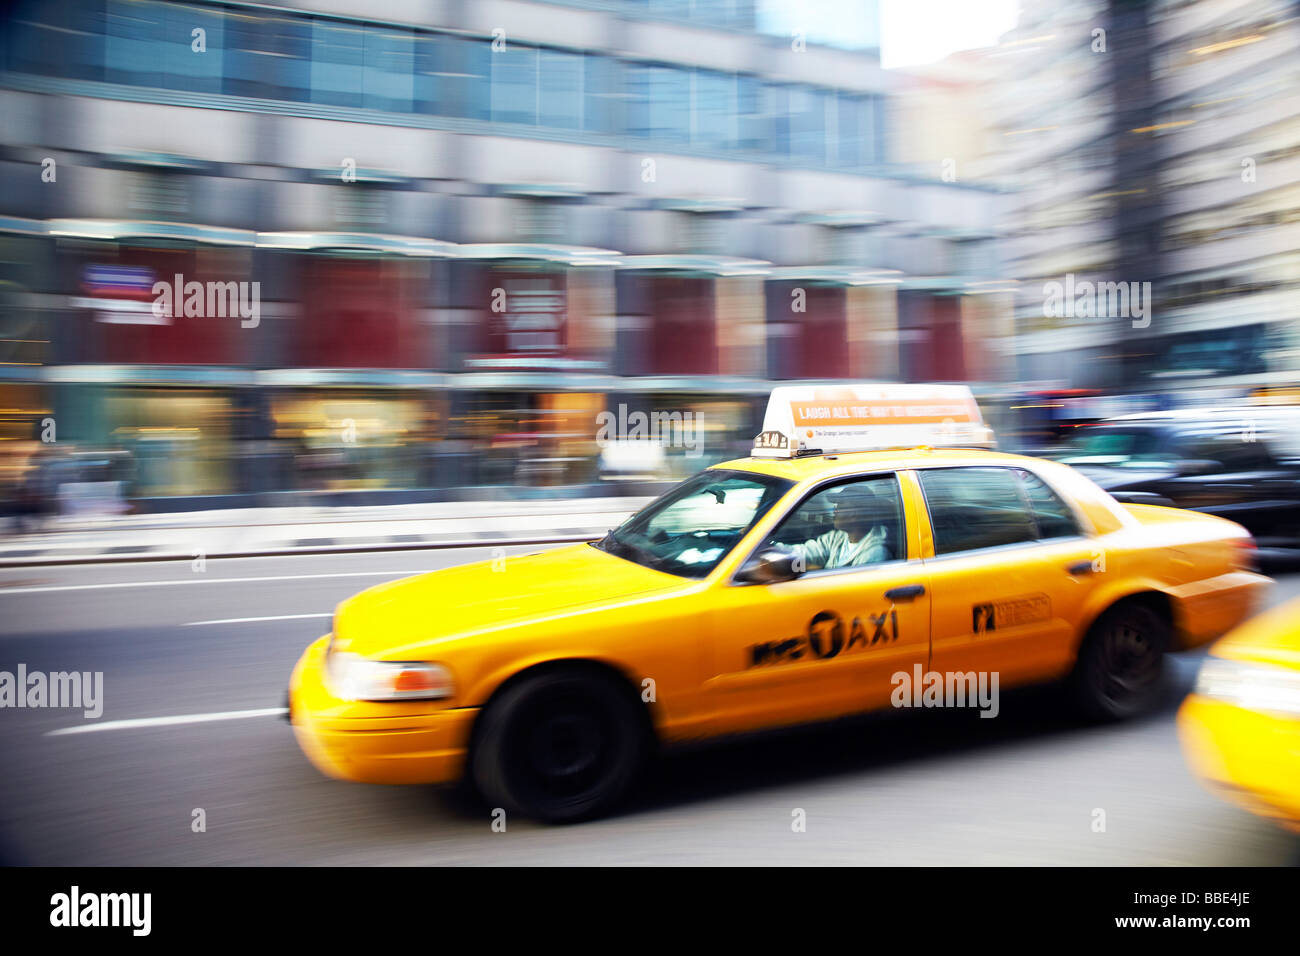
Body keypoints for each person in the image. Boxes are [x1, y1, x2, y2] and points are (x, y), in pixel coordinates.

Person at [788, 483, 891, 570]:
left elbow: (849, 589)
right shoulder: (837, 538)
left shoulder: (874, 554)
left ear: (853, 514)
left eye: (839, 507)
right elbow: (807, 552)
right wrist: (776, 550)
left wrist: (808, 567)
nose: (834, 511)